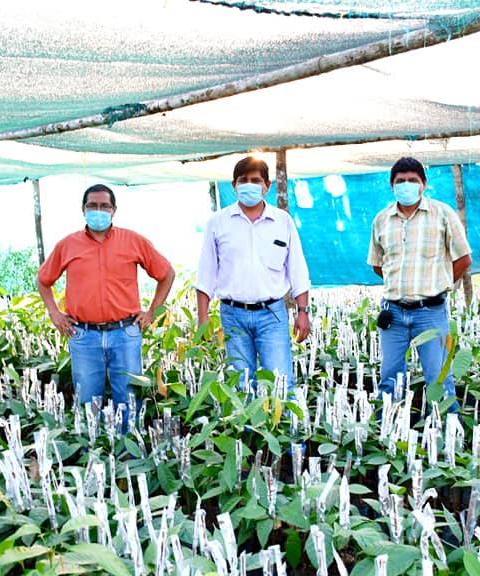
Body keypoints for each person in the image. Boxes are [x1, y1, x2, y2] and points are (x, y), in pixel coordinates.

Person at [37, 184, 175, 417]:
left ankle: (131, 450)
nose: (98, 210)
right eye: (92, 205)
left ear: (114, 210)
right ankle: (91, 450)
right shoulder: (68, 245)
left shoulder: (133, 241)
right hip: (83, 334)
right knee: (87, 401)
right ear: (83, 209)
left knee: (130, 400)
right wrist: (55, 313)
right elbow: (43, 280)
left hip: (125, 332)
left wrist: (152, 312)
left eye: (104, 206)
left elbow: (166, 274)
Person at [196, 156, 311, 396]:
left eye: (255, 180)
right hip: (232, 314)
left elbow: (298, 269)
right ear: (234, 185)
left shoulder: (282, 221)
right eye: (243, 180)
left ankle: (284, 432)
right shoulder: (218, 222)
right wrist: (203, 317)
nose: (249, 185)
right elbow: (206, 273)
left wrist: (303, 312)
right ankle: (246, 433)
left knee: (280, 382)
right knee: (241, 386)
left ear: (267, 186)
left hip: (272, 314)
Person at [367, 157, 472, 410]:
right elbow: (377, 264)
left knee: (438, 378)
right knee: (389, 378)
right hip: (393, 312)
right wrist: (400, 286)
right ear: (392, 186)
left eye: (412, 180)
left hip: (431, 312)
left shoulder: (442, 214)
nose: (406, 185)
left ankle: (448, 435)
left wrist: (441, 283)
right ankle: (386, 435)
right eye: (400, 181)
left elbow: (464, 258)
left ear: (423, 184)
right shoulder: (381, 220)